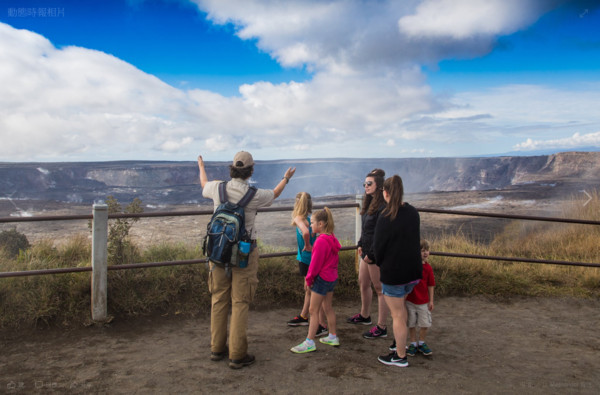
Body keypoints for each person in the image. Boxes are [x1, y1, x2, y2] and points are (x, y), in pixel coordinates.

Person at [198, 151, 296, 369]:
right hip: (243, 254)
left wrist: (201, 165)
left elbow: (204, 183)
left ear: (232, 169)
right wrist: (286, 178)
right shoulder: (255, 195)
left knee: (218, 299)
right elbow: (275, 193)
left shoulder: (217, 188)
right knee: (240, 302)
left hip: (218, 253)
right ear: (251, 171)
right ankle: (237, 354)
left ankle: (216, 348)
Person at [373, 175, 422, 368]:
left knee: (398, 315)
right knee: (402, 311)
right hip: (413, 272)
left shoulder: (385, 216)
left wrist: (383, 264)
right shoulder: (412, 212)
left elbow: (378, 249)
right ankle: (399, 343)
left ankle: (400, 356)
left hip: (394, 274)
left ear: (385, 193)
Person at [290, 207, 341, 353]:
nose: (310, 225)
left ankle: (309, 341)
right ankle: (332, 336)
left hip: (321, 279)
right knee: (328, 307)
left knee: (313, 310)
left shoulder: (320, 242)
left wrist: (308, 279)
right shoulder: (332, 238)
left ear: (321, 224)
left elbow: (315, 264)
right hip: (332, 278)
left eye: (312, 223)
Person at [347, 169, 390, 340]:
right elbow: (367, 230)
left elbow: (381, 234)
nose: (366, 186)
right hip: (366, 251)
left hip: (374, 254)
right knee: (363, 283)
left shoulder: (382, 207)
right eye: (364, 184)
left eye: (369, 183)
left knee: (380, 289)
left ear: (379, 185)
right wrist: (360, 244)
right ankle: (365, 315)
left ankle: (382, 326)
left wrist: (371, 254)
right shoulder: (369, 203)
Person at [287, 192, 328, 337]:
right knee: (309, 289)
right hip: (311, 257)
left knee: (314, 290)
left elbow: (305, 233)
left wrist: (307, 244)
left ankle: (321, 325)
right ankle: (304, 316)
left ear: (297, 204)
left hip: (306, 258)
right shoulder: (310, 219)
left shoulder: (299, 218)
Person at [404, 239, 436, 356]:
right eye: (422, 250)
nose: (425, 253)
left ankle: (422, 342)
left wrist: (431, 300)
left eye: (427, 250)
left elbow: (431, 285)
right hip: (410, 300)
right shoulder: (411, 266)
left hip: (423, 301)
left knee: (424, 323)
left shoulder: (428, 268)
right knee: (411, 323)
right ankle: (413, 343)